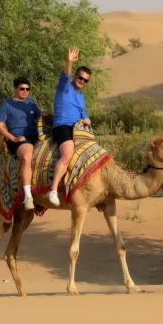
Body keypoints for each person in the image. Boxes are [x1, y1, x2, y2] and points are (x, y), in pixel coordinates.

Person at [49, 48, 91, 207]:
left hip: (78, 129)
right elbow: (66, 73)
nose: (82, 81)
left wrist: (86, 119)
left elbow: (84, 113)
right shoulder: (64, 86)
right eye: (80, 78)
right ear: (75, 75)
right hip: (63, 126)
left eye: (86, 80)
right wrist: (70, 62)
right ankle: (53, 190)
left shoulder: (81, 96)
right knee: (67, 154)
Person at [0, 77, 43, 211]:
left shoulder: (31, 103)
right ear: (15, 89)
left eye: (28, 89)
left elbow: (39, 117)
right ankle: (28, 196)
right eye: (22, 89)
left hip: (35, 135)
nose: (25, 91)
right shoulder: (7, 105)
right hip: (18, 138)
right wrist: (13, 139)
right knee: (27, 156)